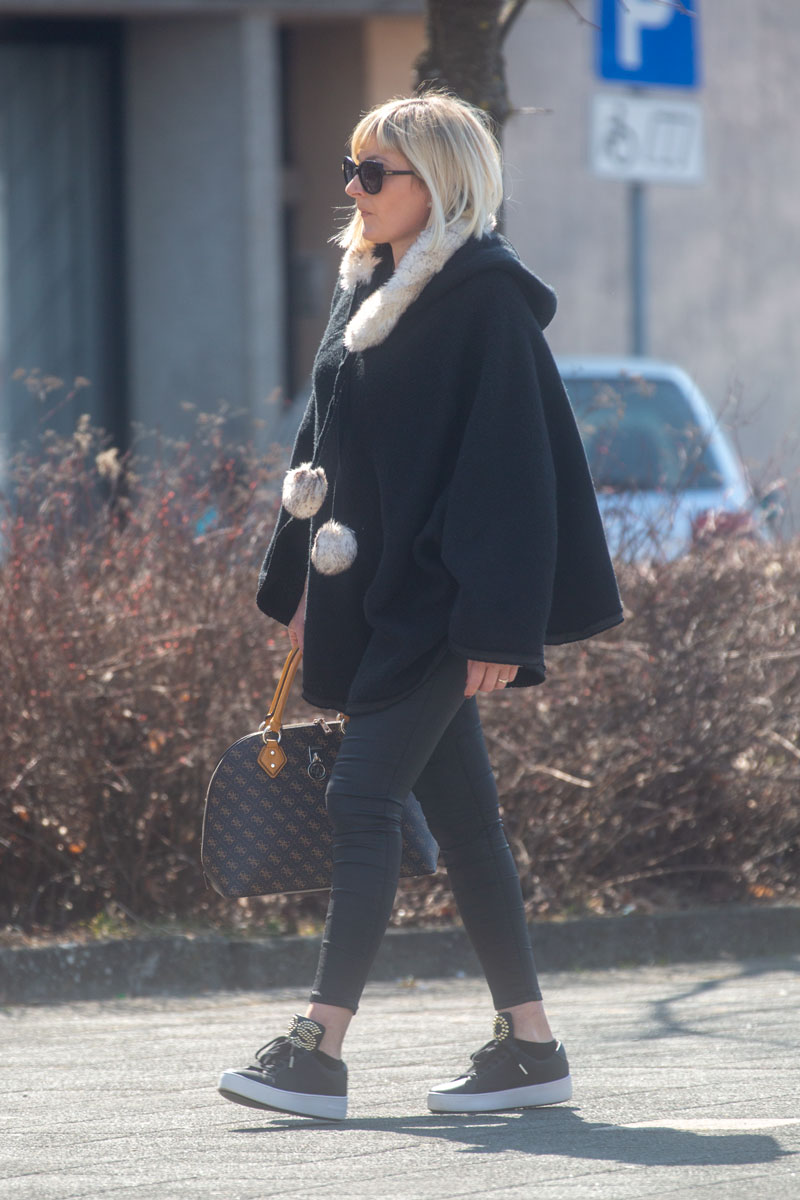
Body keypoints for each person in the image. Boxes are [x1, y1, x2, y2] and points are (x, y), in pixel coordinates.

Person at [218, 93, 622, 1121]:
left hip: (441, 606)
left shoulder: (484, 300)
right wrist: (304, 584)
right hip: (377, 595)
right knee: (467, 826)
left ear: (437, 183)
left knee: (362, 800)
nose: (353, 189)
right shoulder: (370, 283)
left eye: (374, 172)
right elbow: (324, 449)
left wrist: (497, 625)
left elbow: (513, 477)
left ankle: (317, 1050)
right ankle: (533, 1049)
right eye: (349, 168)